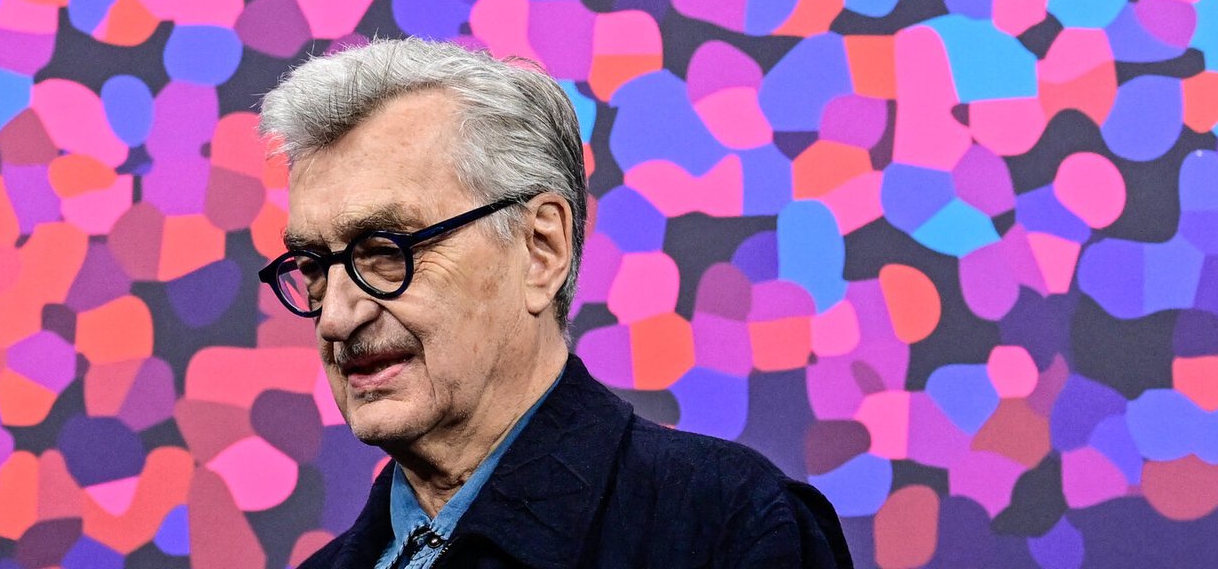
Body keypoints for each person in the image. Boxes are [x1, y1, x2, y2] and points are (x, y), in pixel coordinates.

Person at [257, 37, 852, 568]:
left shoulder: (733, 527)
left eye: (387, 250)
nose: (336, 317)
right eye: (313, 267)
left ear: (542, 249)